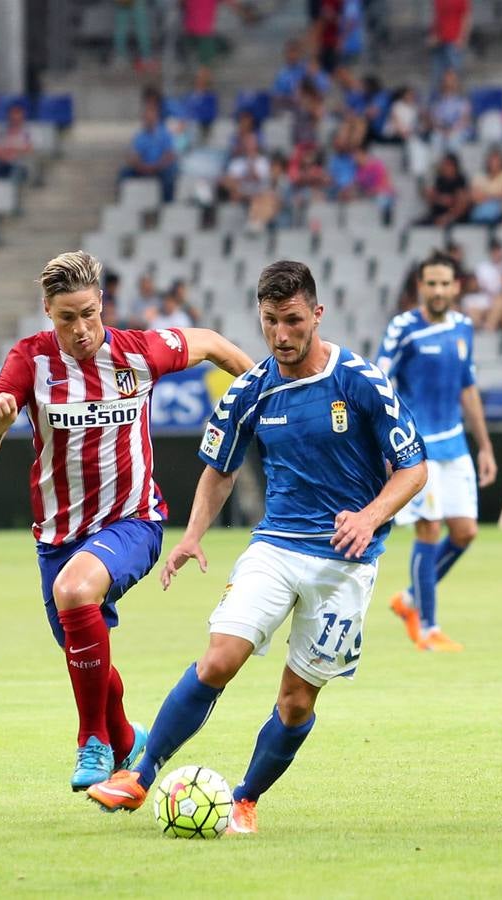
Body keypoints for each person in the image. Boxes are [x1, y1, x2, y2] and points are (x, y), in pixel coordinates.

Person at [86, 260, 428, 833]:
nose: (281, 335)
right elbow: (219, 469)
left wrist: (370, 518)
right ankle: (139, 777)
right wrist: (192, 535)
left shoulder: (360, 382)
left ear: (317, 314)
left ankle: (244, 800)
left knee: (296, 702)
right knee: (220, 657)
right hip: (275, 546)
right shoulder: (251, 389)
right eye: (270, 321)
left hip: (346, 563)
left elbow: (413, 469)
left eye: (293, 320)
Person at [0, 250, 252, 792]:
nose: (82, 328)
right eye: (67, 317)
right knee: (89, 663)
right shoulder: (29, 362)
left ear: (103, 304)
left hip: (134, 522)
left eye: (90, 313)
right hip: (57, 538)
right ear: (47, 311)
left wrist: (268, 391)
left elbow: (211, 342)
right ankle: (126, 740)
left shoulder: (138, 353)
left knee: (76, 594)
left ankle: (91, 741)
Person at [377, 251, 498, 652]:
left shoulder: (463, 328)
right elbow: (379, 381)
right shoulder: (404, 328)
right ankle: (428, 629)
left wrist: (484, 446)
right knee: (429, 528)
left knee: (464, 532)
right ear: (420, 286)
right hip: (419, 448)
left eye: (446, 283)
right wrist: (387, 442)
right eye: (432, 283)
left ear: (456, 287)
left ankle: (409, 599)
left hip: (456, 444)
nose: (439, 290)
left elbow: (468, 387)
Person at [119, 90, 178, 204]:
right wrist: (141, 166)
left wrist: (155, 166)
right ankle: (124, 202)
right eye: (146, 115)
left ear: (155, 116)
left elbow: (169, 155)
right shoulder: (140, 136)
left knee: (169, 175)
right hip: (144, 168)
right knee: (124, 173)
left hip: (159, 168)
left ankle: (166, 205)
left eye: (150, 114)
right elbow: (134, 155)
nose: (148, 118)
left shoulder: (164, 133)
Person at [0, 101, 36, 182]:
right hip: (2, 164)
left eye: (18, 113)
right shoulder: (0, 133)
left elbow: (29, 149)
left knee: (16, 171)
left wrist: (11, 151)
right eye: (13, 114)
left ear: (23, 115)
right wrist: (8, 153)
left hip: (20, 166)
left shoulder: (28, 133)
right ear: (8, 115)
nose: (15, 117)